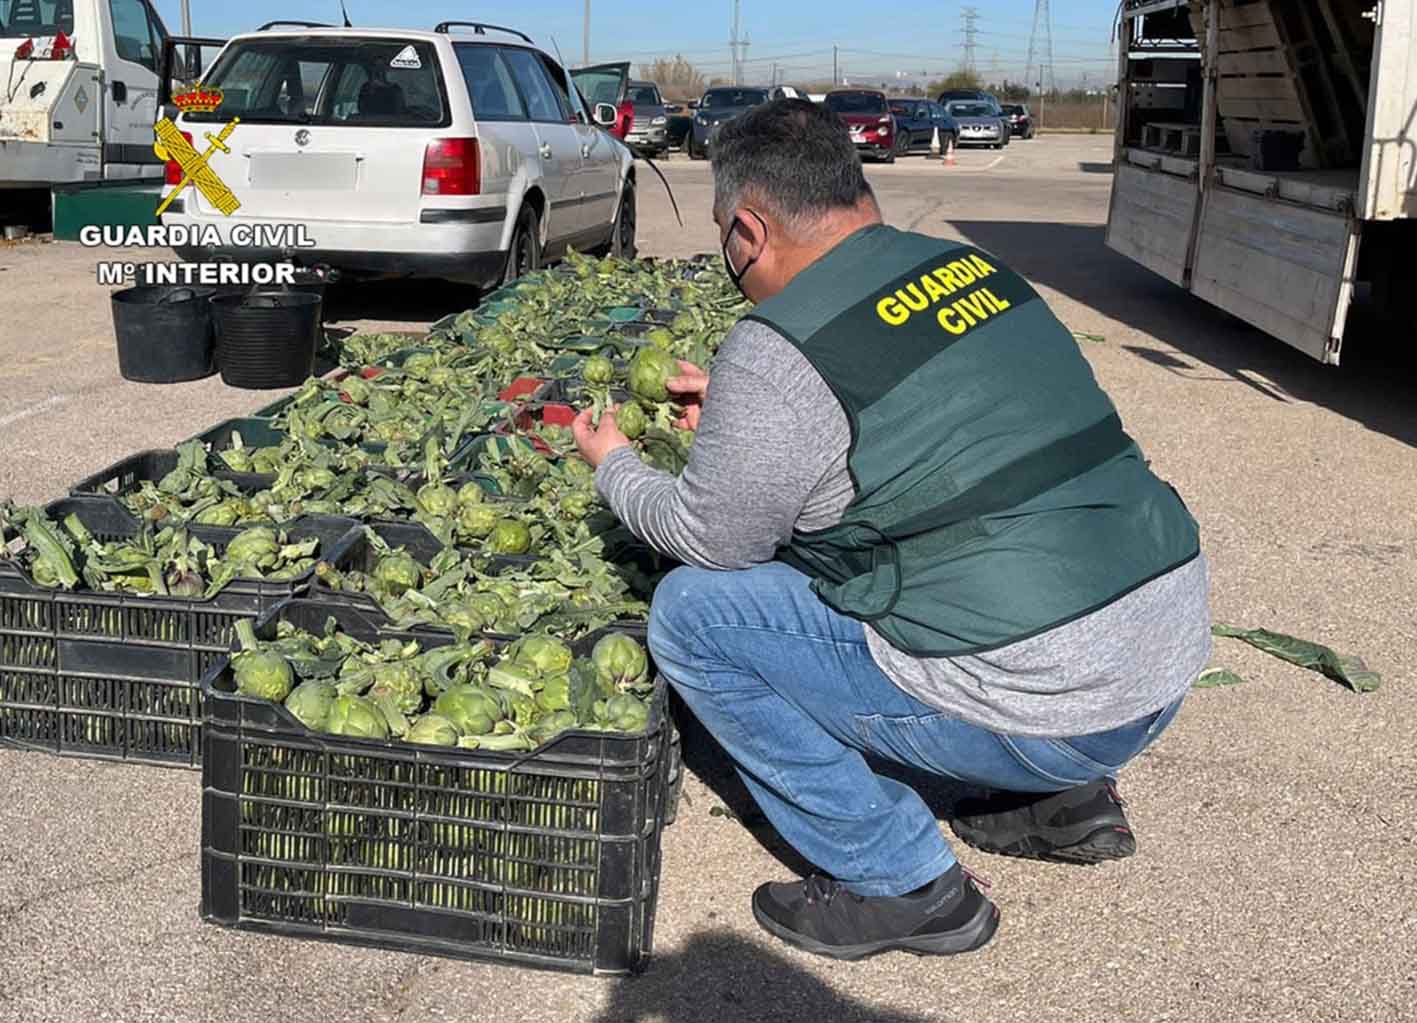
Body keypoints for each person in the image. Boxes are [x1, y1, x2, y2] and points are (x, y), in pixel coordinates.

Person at [572, 99, 1210, 962]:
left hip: (1052, 705)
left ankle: (904, 884)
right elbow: (947, 451)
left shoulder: (776, 342)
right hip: (1158, 657)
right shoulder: (969, 271)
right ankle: (1059, 803)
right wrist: (742, 427)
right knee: (998, 535)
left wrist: (615, 461)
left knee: (693, 615)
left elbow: (712, 542)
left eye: (725, 233)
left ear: (747, 230)